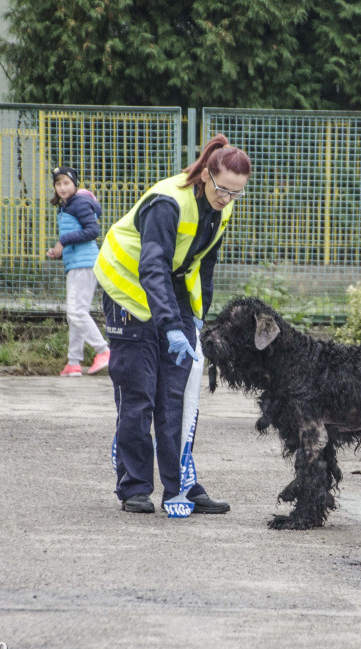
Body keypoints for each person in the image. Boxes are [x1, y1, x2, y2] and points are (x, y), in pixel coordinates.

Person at [94, 134, 250, 514]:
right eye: (222, 190)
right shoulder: (168, 203)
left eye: (236, 194)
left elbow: (205, 264)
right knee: (139, 392)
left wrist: (197, 317)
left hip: (170, 289)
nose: (227, 199)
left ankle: (179, 485)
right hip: (128, 289)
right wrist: (169, 325)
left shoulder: (221, 207)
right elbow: (152, 266)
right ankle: (134, 486)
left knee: (177, 396)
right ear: (205, 176)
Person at [45, 166, 111, 377]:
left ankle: (104, 351)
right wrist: (59, 252)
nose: (62, 187)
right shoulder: (65, 206)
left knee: (75, 312)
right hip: (76, 263)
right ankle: (74, 362)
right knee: (76, 313)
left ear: (75, 184)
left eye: (66, 183)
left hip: (84, 263)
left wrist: (63, 241)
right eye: (58, 183)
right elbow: (76, 234)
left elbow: (93, 231)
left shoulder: (79, 202)